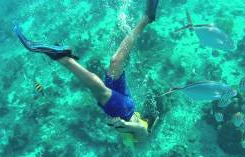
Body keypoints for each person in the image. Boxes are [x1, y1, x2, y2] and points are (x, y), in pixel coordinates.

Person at [13, 0, 160, 143]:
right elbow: (140, 129)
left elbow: (140, 126)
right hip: (122, 111)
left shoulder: (143, 122)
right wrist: (126, 125)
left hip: (127, 103)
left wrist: (125, 125)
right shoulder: (145, 135)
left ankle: (147, 18)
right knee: (98, 87)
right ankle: (62, 58)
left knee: (116, 60)